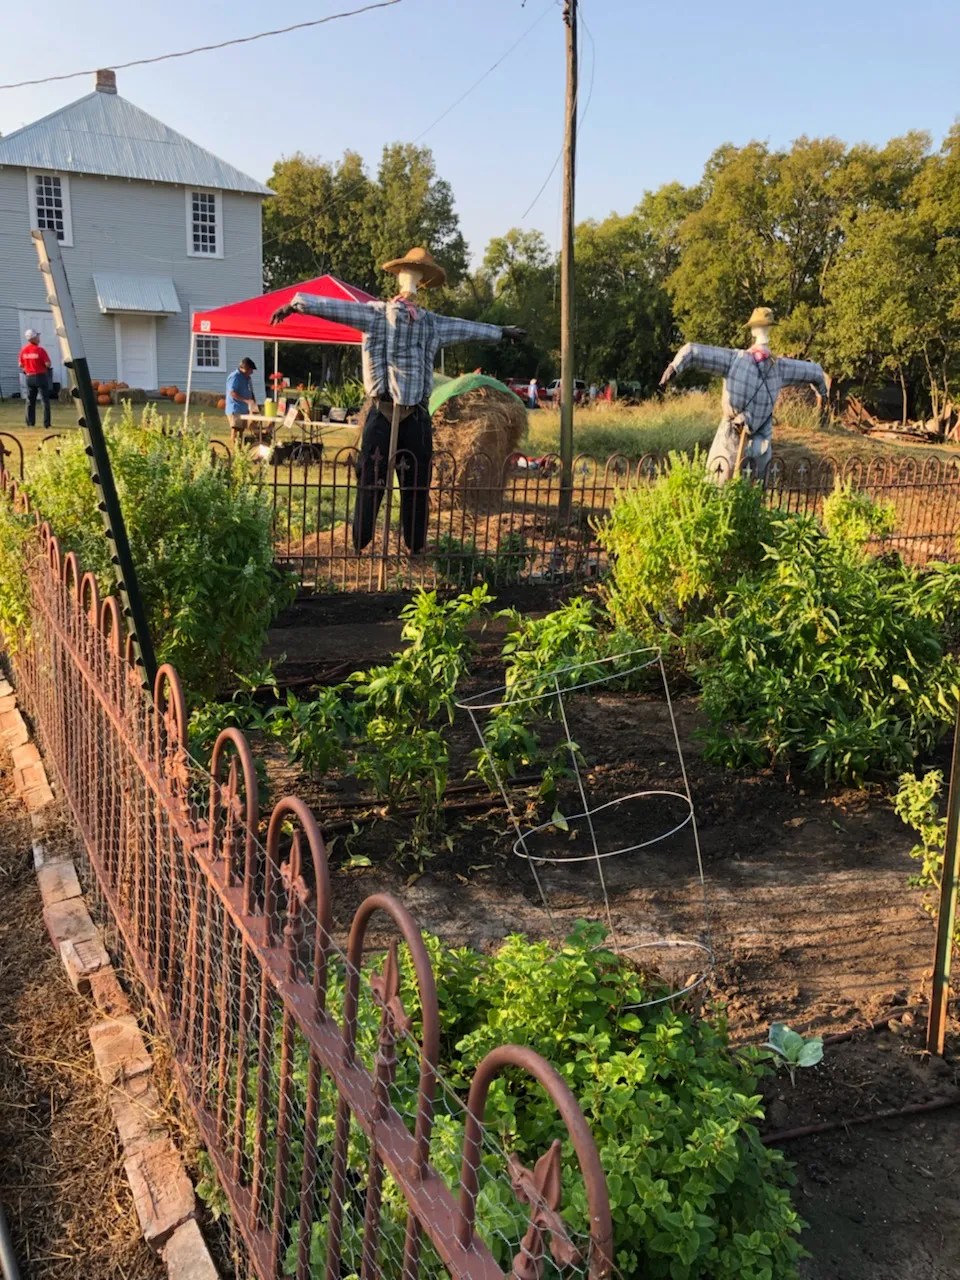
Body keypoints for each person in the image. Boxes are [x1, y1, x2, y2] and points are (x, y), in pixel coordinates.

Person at [270, 247, 524, 554]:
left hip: (416, 414)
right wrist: (297, 304)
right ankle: (360, 543)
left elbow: (465, 328)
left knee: (416, 482)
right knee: (371, 480)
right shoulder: (375, 315)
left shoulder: (430, 323)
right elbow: (335, 308)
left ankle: (414, 546)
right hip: (382, 409)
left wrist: (500, 332)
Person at [658, 306, 829, 483]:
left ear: (753, 330)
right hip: (750, 437)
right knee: (746, 485)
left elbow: (693, 351)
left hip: (742, 437)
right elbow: (814, 372)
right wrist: (823, 394)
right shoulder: (780, 367)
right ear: (771, 328)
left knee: (722, 484)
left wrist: (674, 367)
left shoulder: (737, 359)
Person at [19, 329, 53, 428]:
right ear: (34, 338)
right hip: (40, 376)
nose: (39, 337)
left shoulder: (24, 350)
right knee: (45, 400)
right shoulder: (40, 350)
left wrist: (28, 367)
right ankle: (46, 423)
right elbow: (48, 364)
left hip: (29, 377)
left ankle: (30, 422)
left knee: (30, 401)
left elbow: (20, 364)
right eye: (37, 336)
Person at [225, 357, 259, 446]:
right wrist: (246, 401)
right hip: (235, 408)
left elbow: (250, 391)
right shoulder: (235, 376)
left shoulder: (247, 378)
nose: (252, 372)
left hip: (243, 409)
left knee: (241, 431)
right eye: (251, 370)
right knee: (236, 430)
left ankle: (239, 450)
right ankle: (236, 452)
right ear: (245, 368)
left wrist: (254, 404)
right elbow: (232, 393)